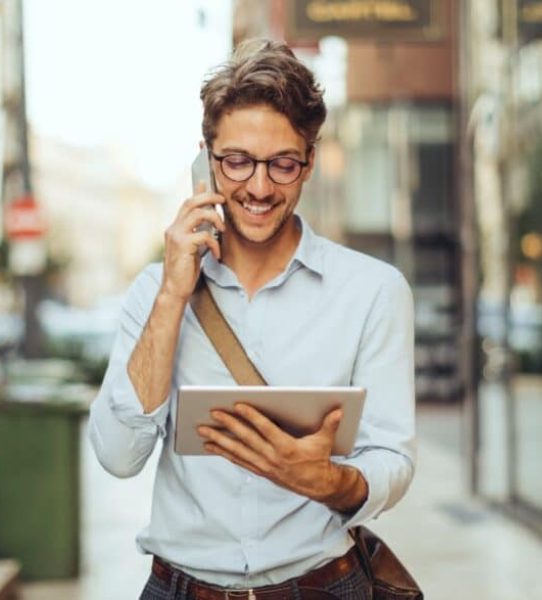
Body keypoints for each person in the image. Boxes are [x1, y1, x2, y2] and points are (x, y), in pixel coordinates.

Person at [89, 38, 416, 599]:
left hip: (323, 586)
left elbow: (392, 458)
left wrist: (330, 482)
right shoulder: (156, 291)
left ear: (309, 161)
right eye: (237, 161)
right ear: (204, 157)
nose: (260, 188)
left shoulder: (373, 292)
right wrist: (172, 294)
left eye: (282, 164)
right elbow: (119, 456)